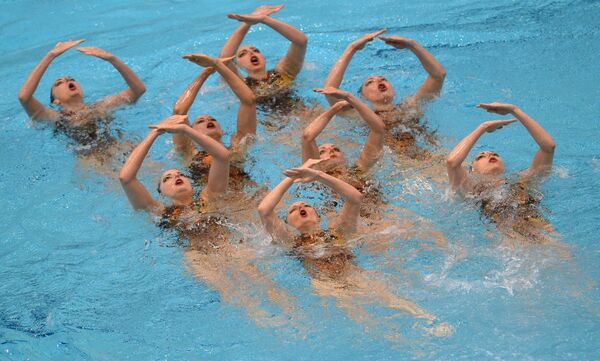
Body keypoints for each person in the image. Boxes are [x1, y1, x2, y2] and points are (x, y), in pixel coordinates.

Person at [119, 115, 297, 326]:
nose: (176, 176)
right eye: (167, 178)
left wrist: (185, 130)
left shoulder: (209, 197)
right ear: (161, 193)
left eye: (180, 174)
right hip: (198, 256)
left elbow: (222, 156)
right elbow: (126, 178)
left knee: (264, 282)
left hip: (227, 244)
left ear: (190, 182)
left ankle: (296, 318)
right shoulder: (158, 211)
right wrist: (155, 133)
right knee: (232, 293)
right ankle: (264, 324)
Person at [258, 159, 443, 329]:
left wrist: (319, 176)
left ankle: (430, 323)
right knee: (363, 321)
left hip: (354, 274)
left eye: (306, 205)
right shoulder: (291, 243)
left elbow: (355, 198)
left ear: (318, 215)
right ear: (288, 224)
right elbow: (264, 210)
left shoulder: (339, 232)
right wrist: (292, 177)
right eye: (293, 210)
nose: (300, 208)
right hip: (325, 284)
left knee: (395, 301)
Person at [323, 31, 446, 159]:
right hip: (394, 165)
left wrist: (412, 44)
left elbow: (438, 76)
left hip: (425, 156)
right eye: (369, 82)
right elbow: (329, 91)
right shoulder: (361, 115)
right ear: (363, 96)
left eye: (383, 79)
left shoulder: (409, 107)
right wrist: (352, 48)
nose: (379, 81)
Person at [18, 39, 146, 162]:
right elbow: (24, 97)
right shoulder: (56, 118)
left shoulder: (101, 105)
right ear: (56, 101)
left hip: (120, 148)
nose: (68, 81)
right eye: (59, 83)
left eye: (71, 78)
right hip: (92, 160)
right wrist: (50, 56)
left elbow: (138, 89)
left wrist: (112, 59)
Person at [446, 102, 557, 242]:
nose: (489, 155)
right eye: (481, 156)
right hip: (509, 242)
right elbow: (452, 162)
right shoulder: (470, 188)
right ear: (472, 170)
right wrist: (483, 127)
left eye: (494, 154)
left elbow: (549, 147)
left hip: (545, 232)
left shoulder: (523, 180)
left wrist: (514, 110)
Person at [172, 53, 257, 192]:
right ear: (191, 132)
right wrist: (206, 72)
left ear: (222, 131)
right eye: (200, 121)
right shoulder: (189, 153)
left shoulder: (238, 146)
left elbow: (249, 101)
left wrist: (218, 65)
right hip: (213, 206)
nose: (208, 120)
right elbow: (179, 111)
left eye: (212, 119)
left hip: (246, 200)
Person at [302, 87, 385, 213]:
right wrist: (335, 108)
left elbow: (378, 129)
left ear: (345, 157)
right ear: (315, 160)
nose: (331, 151)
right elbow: (307, 137)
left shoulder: (359, 170)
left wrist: (349, 96)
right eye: (322, 151)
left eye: (336, 149)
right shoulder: (316, 177)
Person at [220, 4, 308, 116]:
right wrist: (247, 22)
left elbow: (301, 41)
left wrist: (263, 19)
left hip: (305, 114)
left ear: (264, 58)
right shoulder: (241, 84)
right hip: (274, 128)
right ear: (238, 65)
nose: (251, 53)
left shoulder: (283, 72)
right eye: (243, 54)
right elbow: (224, 58)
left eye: (255, 50)